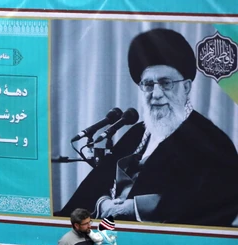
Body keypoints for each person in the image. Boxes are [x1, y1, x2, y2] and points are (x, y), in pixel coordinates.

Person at [58, 28, 238, 227]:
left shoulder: (210, 140)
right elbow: (98, 182)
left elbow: (213, 201)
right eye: (148, 84)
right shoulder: (137, 132)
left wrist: (135, 207)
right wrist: (102, 203)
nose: (156, 94)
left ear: (186, 87)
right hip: (113, 229)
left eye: (166, 83)